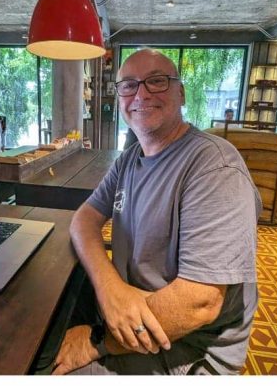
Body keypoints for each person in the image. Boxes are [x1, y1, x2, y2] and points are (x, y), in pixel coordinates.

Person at [53, 48, 261, 375]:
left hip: (184, 347)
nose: (141, 94)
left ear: (181, 93)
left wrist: (96, 342)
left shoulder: (213, 167)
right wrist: (110, 287)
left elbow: (198, 304)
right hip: (128, 313)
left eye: (157, 82)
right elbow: (84, 219)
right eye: (129, 85)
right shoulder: (129, 160)